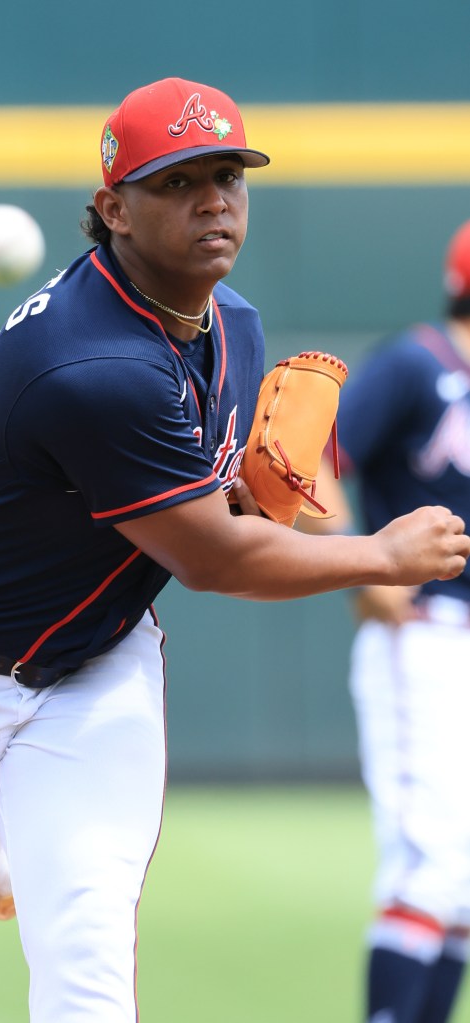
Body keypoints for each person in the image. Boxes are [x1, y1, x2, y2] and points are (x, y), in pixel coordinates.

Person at [0, 78, 470, 1022]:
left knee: (87, 955)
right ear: (113, 208)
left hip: (93, 661)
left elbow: (218, 513)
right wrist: (381, 551)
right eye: (177, 181)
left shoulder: (232, 323)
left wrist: (244, 492)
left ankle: (6, 845)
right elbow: (213, 560)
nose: (212, 200)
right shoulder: (90, 363)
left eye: (228, 176)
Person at [300, 219, 470, 1023]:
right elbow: (307, 462)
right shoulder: (416, 364)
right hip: (423, 636)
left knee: (463, 881)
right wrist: (356, 563)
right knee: (426, 861)